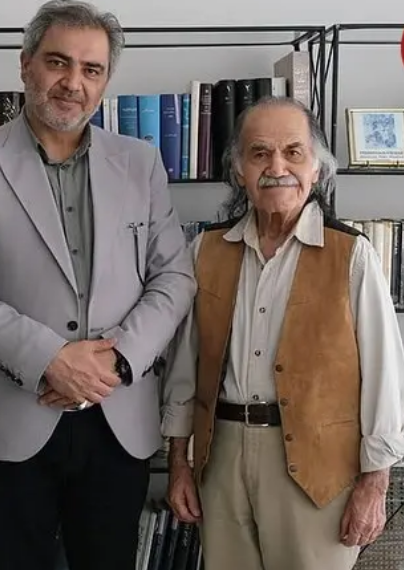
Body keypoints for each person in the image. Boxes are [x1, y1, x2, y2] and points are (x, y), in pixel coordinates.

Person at [0, 2, 196, 569]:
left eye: (91, 69)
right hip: (12, 416)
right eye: (58, 62)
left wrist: (114, 362)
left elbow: (174, 277)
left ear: (105, 80)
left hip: (116, 415)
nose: (73, 82)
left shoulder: (141, 163)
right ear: (26, 65)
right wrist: (51, 360)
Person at [161, 96, 404, 570]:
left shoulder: (352, 255)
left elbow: (385, 378)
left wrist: (375, 483)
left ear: (317, 168)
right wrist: (178, 462)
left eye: (293, 152)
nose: (277, 168)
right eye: (260, 153)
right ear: (239, 170)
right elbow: (184, 367)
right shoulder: (205, 250)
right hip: (221, 459)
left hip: (318, 470)